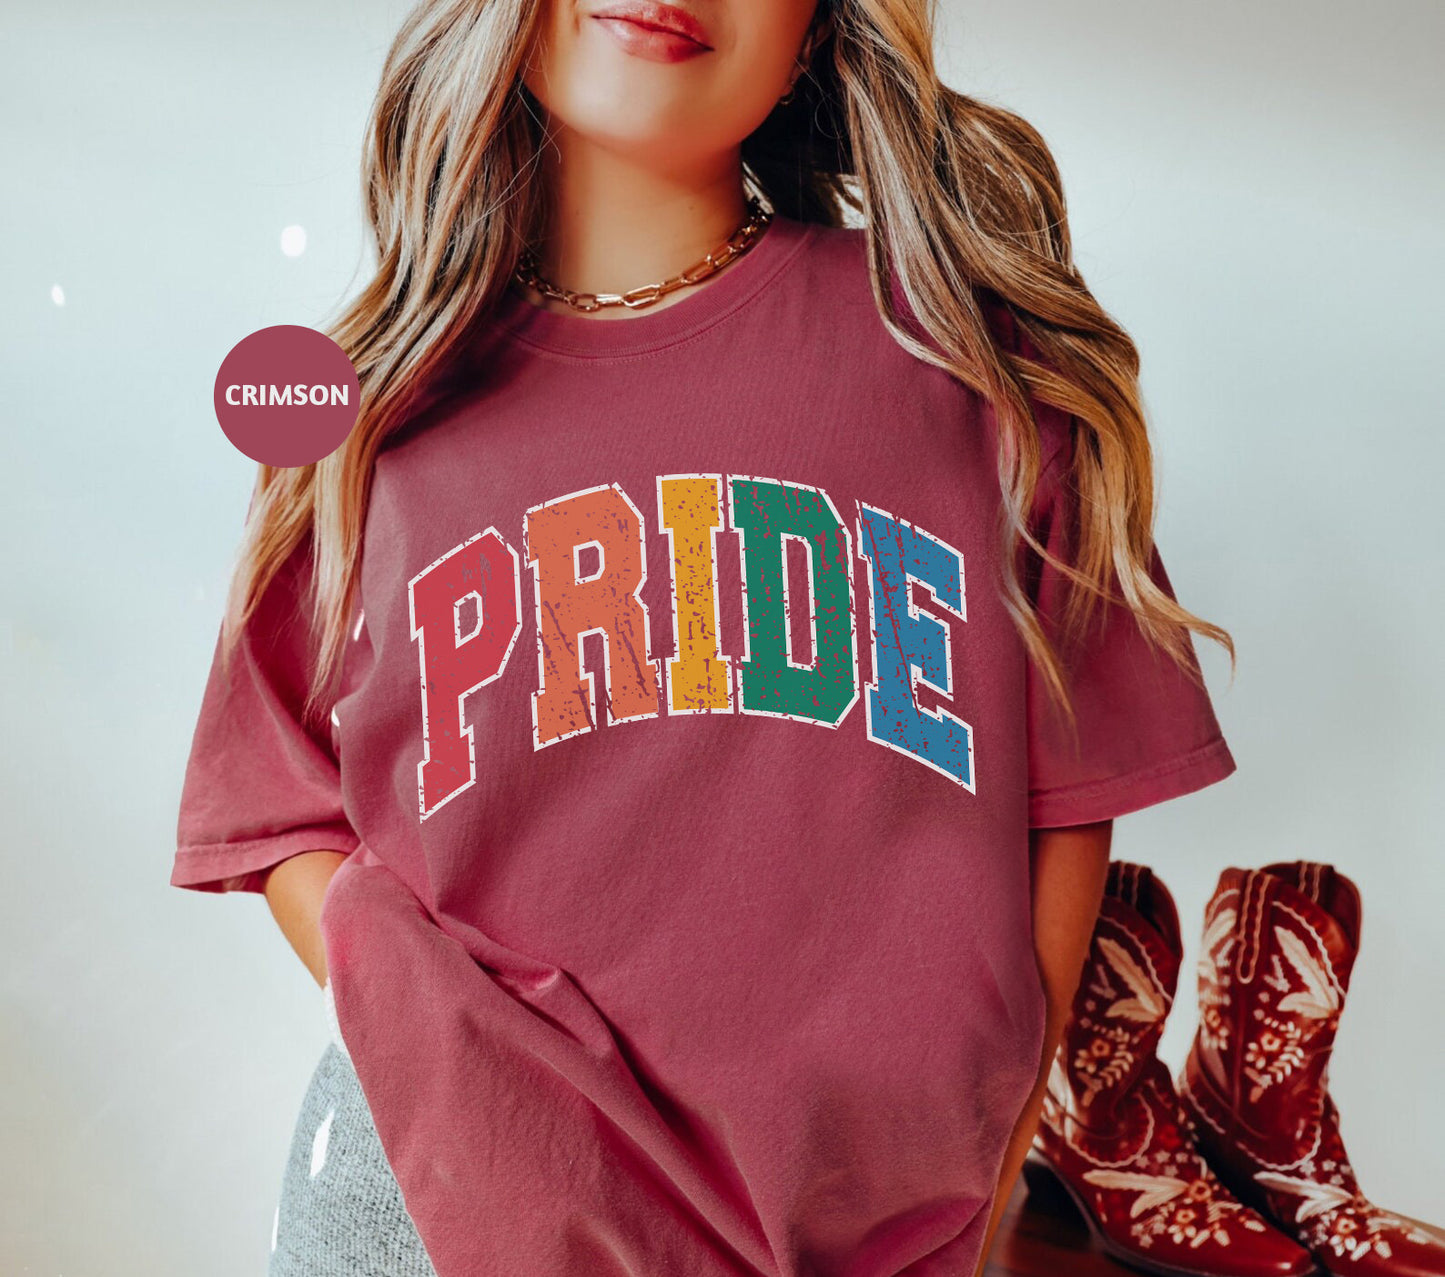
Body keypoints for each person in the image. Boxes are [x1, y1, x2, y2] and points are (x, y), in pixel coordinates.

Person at [171, 0, 1239, 1274]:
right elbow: (269, 804)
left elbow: (1068, 795)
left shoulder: (968, 366)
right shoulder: (368, 409)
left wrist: (992, 1147)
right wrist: (439, 1039)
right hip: (430, 1211)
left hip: (861, 1234)